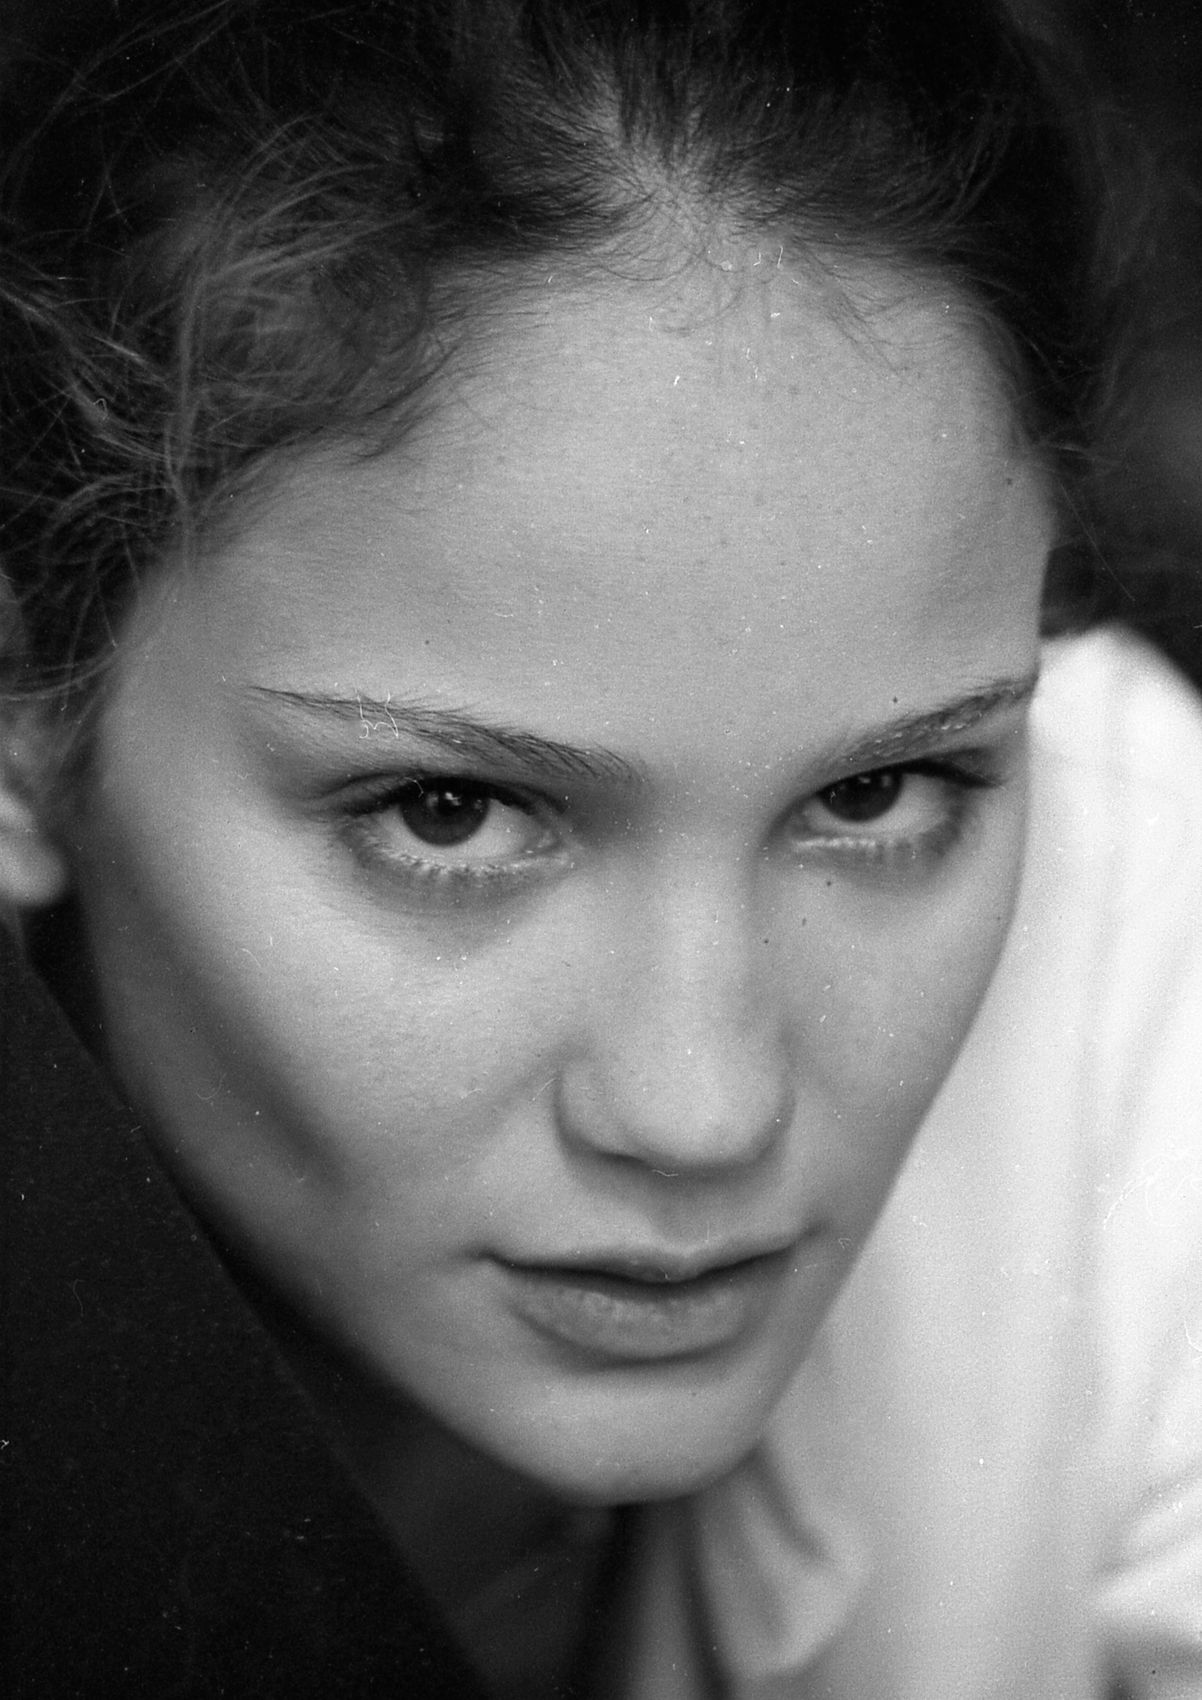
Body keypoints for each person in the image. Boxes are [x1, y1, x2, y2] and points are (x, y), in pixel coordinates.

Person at [2, 1, 1200, 1695]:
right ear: (23, 724)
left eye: (878, 796)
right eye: (451, 813)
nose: (704, 1114)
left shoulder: (1125, 873)